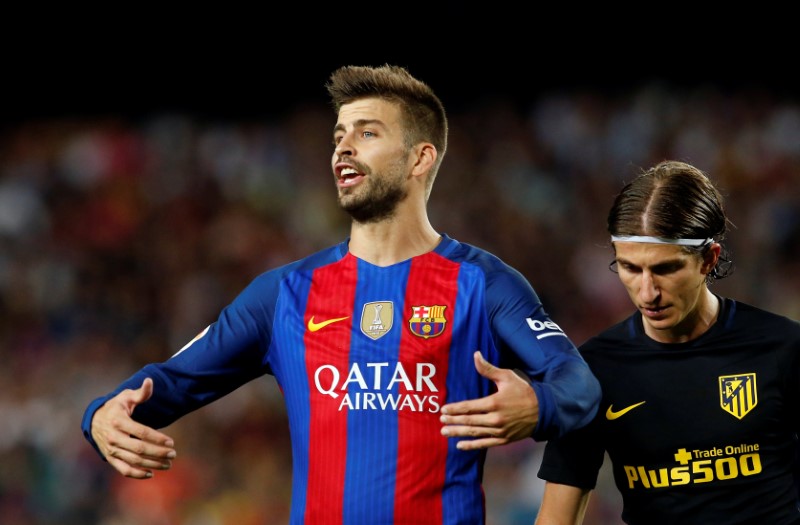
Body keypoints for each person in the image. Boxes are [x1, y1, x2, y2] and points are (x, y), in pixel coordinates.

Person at [81, 64, 601, 525]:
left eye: (367, 132)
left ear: (421, 159)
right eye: (339, 135)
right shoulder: (283, 295)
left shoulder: (483, 284)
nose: (343, 148)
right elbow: (167, 382)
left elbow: (580, 384)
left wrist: (538, 404)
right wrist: (101, 416)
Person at [528, 160, 800, 524]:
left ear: (708, 259)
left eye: (665, 268)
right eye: (630, 268)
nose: (647, 292)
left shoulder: (782, 348)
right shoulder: (592, 371)